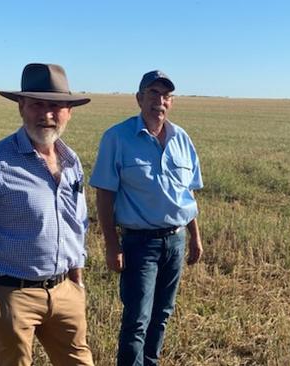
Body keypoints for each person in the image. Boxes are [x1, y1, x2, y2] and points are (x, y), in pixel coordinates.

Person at [0, 63, 94, 366]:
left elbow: (78, 226)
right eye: (37, 104)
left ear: (69, 111)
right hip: (13, 297)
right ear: (21, 107)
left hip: (66, 293)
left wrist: (77, 284)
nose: (46, 114)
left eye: (55, 106)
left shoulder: (72, 162)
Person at [90, 70, 203, 366]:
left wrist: (195, 237)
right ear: (139, 98)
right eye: (153, 93)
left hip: (176, 240)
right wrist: (112, 245)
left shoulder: (181, 138)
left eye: (166, 96)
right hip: (139, 244)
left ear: (172, 102)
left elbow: (188, 194)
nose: (160, 101)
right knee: (137, 319)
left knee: (162, 315)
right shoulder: (117, 137)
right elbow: (104, 194)